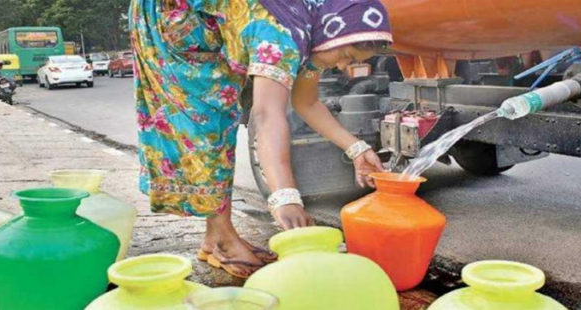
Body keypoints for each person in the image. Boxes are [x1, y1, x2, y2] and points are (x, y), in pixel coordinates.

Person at [130, 0, 393, 278]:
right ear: (335, 30)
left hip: (210, 17)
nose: (342, 66)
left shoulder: (313, 34)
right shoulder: (281, 34)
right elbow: (267, 115)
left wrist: (357, 149)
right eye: (348, 56)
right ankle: (222, 239)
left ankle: (217, 236)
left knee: (221, 114)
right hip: (172, 14)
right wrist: (285, 197)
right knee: (206, 117)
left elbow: (306, 102)